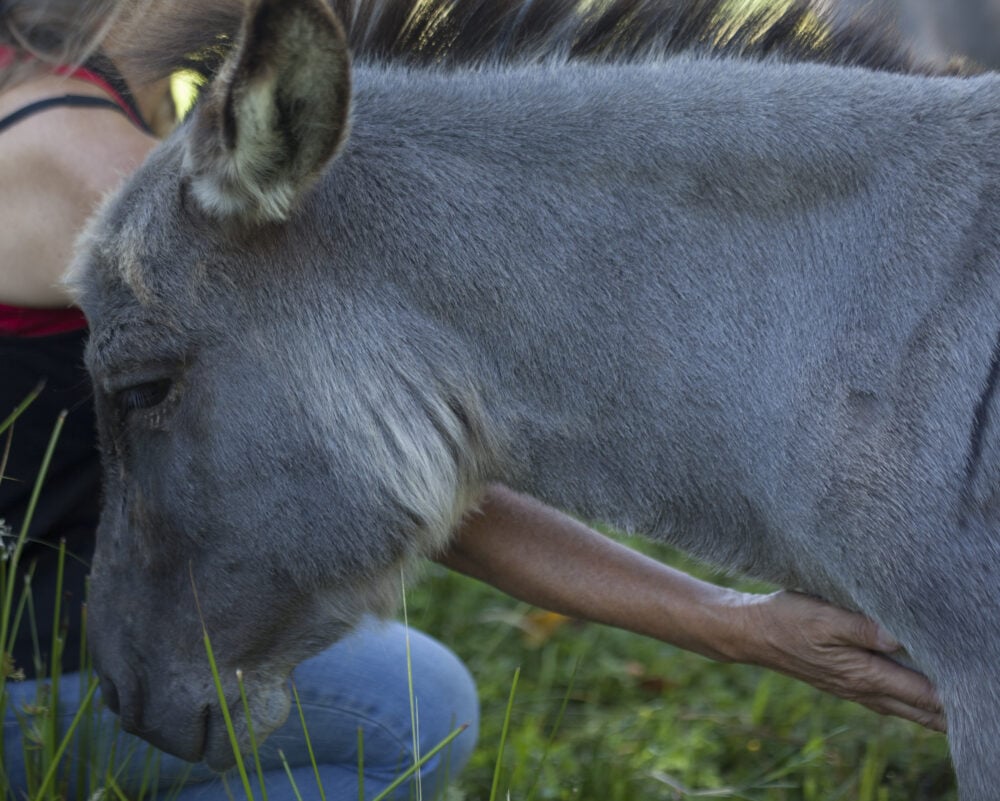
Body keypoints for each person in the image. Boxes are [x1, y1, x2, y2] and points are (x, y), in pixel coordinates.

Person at [0, 0, 943, 797]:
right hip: (37, 671)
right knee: (410, 704)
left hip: (59, 635)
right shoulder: (103, 179)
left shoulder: (29, 92)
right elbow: (358, 458)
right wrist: (735, 625)